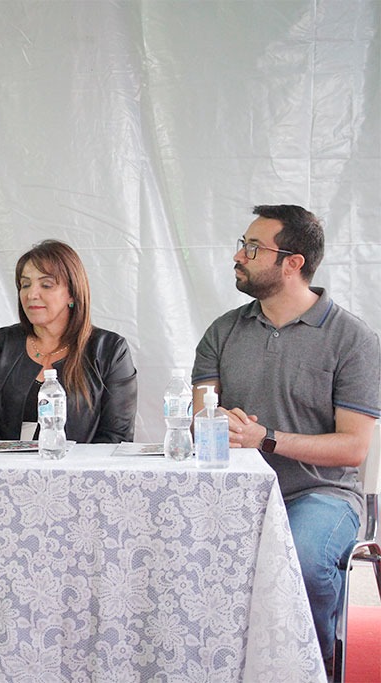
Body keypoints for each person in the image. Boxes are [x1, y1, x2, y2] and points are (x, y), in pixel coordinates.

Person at [192, 205, 380, 668]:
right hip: (231, 494)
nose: (239, 254)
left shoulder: (353, 339)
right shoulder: (223, 331)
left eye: (254, 247)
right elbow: (201, 420)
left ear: (293, 263)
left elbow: (353, 447)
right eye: (243, 242)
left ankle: (309, 672)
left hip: (321, 494)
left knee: (303, 561)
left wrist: (264, 438)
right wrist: (214, 425)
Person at [0, 240, 136, 443]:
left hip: (82, 472)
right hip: (4, 470)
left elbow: (116, 436)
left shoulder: (110, 350)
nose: (31, 294)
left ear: (72, 294)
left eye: (46, 285)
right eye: (25, 284)